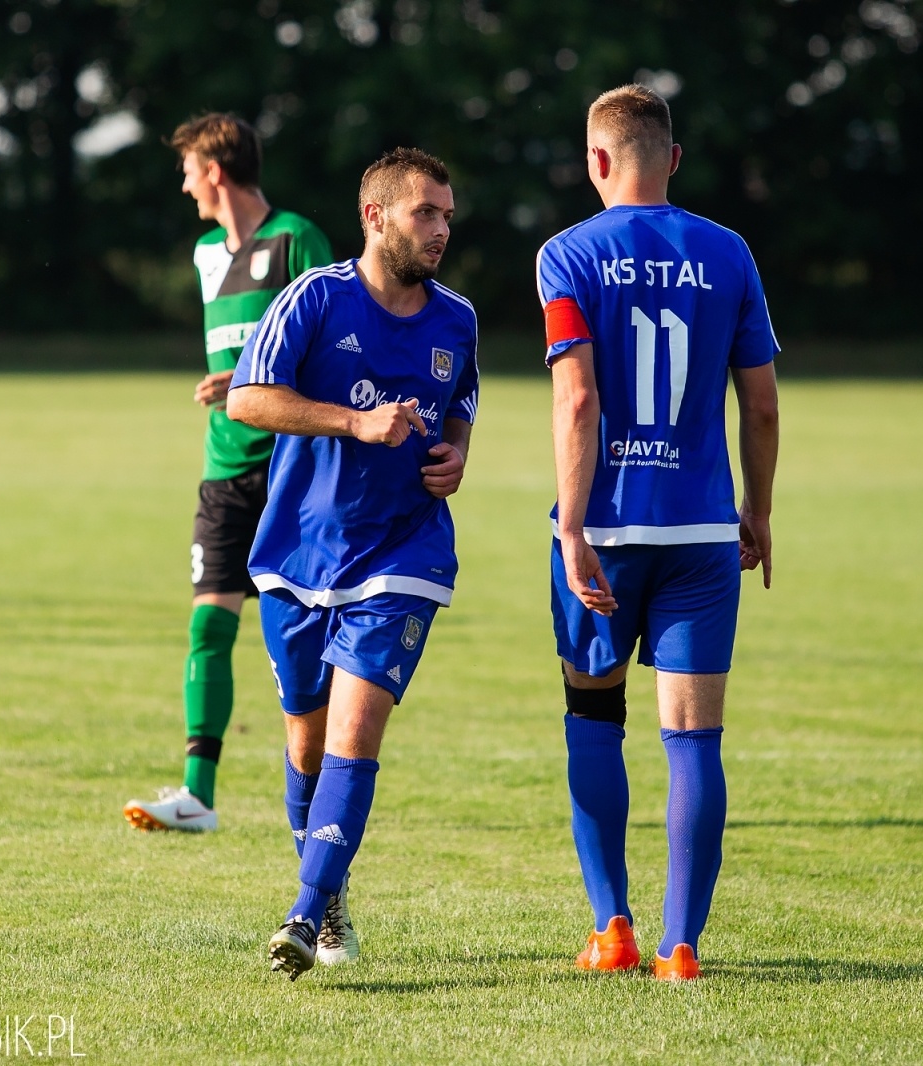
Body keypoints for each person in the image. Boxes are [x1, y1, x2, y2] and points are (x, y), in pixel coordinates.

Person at [537, 85, 780, 981]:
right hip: (702, 533)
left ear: (598, 160)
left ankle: (615, 929)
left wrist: (571, 529)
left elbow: (578, 399)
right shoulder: (729, 251)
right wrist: (757, 510)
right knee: (693, 739)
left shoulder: (566, 254)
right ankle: (682, 946)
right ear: (672, 159)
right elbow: (759, 402)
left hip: (602, 529)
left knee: (594, 718)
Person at [225, 147, 478, 980]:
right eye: (425, 213)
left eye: (447, 213)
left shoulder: (457, 318)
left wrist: (455, 456)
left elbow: (462, 404)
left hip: (403, 553)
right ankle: (330, 895)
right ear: (375, 216)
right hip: (300, 553)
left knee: (354, 732)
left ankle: (302, 915)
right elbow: (248, 398)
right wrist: (353, 422)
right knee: (303, 742)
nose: (442, 228)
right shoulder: (314, 299)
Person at [123, 113, 332, 834]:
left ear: (214, 168)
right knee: (209, 624)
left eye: (188, 168)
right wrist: (229, 380)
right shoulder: (207, 251)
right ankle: (197, 795)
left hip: (291, 474)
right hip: (224, 471)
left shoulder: (299, 239)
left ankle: (320, 788)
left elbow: (333, 348)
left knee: (299, 639)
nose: (184, 183)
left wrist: (252, 379)